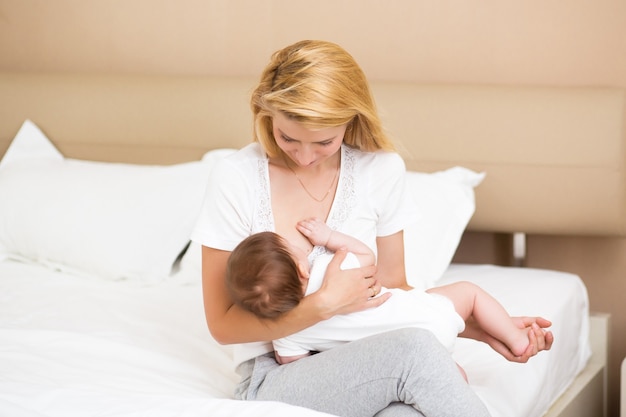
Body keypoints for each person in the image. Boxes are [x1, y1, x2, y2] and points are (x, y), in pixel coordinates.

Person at [191, 39, 552, 417]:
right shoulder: (236, 177)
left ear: (352, 120)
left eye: (324, 142)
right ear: (266, 116)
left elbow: (392, 291)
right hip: (278, 372)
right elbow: (223, 325)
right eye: (288, 138)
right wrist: (324, 305)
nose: (304, 156)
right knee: (415, 355)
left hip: (368, 348)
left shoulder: (380, 170)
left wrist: (477, 326)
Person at [226, 218, 542, 380]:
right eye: (293, 246)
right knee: (468, 293)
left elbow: (294, 365)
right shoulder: (332, 267)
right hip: (427, 315)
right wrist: (329, 238)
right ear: (300, 266)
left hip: (400, 354)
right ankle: (515, 339)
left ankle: (456, 377)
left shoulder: (285, 331)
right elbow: (367, 256)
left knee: (444, 374)